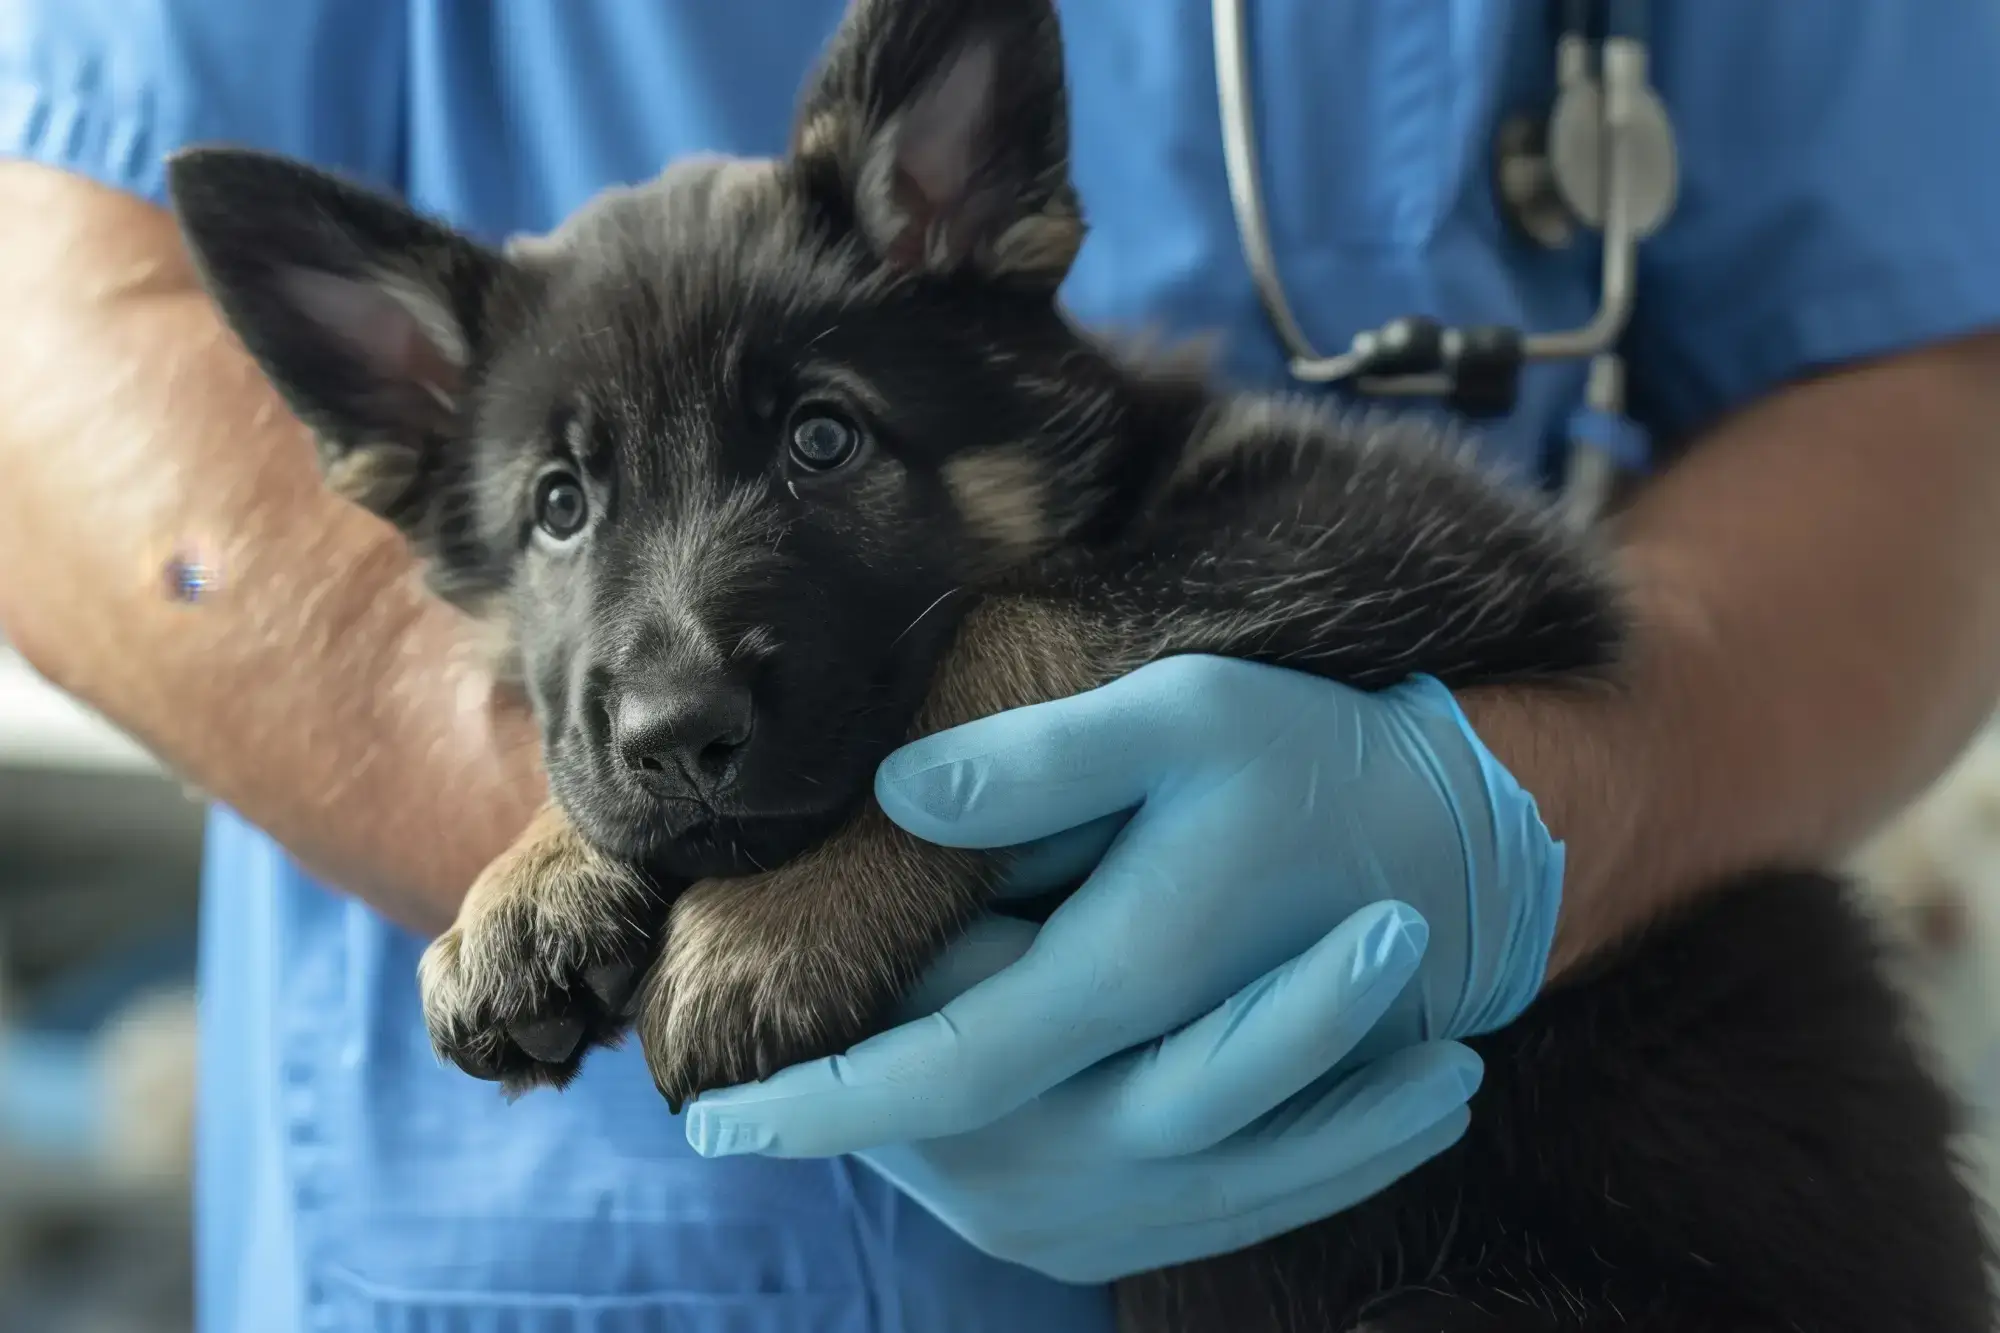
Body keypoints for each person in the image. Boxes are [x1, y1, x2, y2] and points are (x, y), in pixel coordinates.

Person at [5, 2, 2000, 1329]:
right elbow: (40, 330)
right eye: (561, 508)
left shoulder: (1201, 491)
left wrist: (1574, 808)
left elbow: (1925, 373)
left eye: (815, 448)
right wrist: (563, 840)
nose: (681, 624)